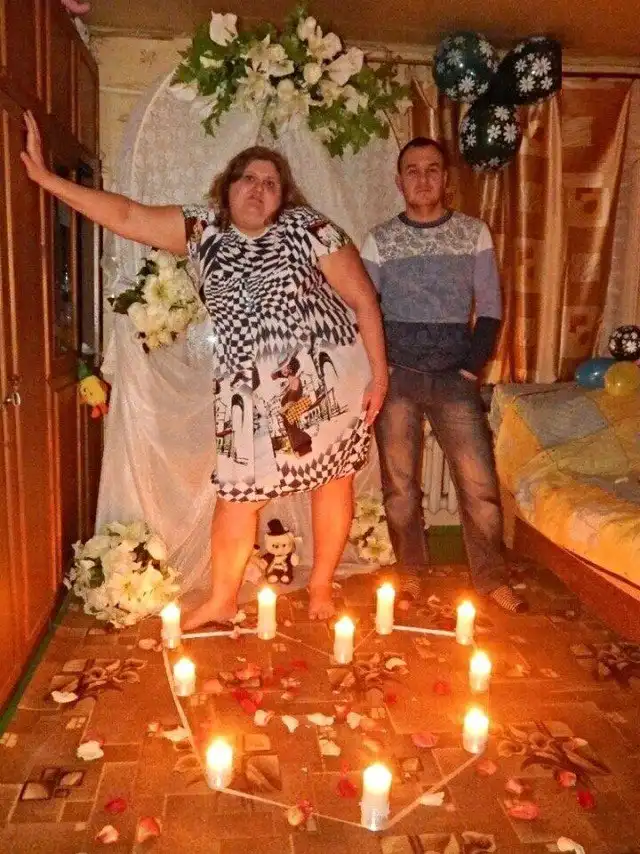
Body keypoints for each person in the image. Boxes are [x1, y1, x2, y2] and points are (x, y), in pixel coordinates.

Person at [21, 110, 388, 627]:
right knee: (237, 497)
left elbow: (364, 300)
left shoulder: (311, 228)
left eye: (271, 183)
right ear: (228, 187)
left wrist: (379, 375)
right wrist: (47, 180)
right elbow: (126, 214)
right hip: (246, 391)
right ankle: (221, 599)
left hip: (325, 380)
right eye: (248, 178)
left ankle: (321, 585)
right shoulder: (203, 228)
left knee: (333, 481)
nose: (258, 189)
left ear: (283, 197)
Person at [361, 136, 527, 614]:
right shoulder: (379, 239)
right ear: (399, 182)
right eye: (412, 171)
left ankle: (491, 578)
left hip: (456, 379)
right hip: (398, 378)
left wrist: (473, 367)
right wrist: (379, 370)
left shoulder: (474, 233)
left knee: (480, 486)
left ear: (446, 179)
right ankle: (411, 572)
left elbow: (490, 308)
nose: (423, 179)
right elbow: (365, 309)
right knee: (400, 488)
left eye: (432, 169)